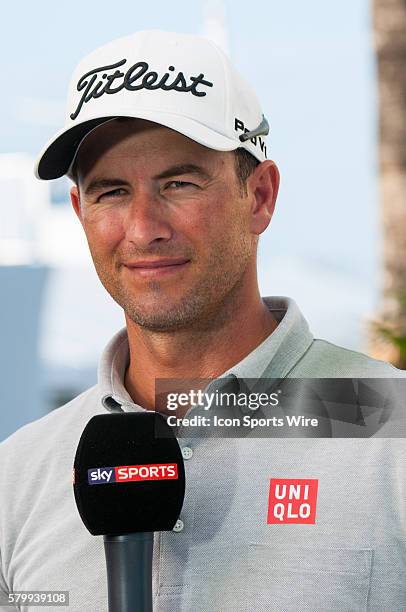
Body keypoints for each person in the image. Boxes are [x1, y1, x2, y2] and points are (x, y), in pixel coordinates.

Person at [0, 30, 405, 612]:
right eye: (111, 192)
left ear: (260, 196)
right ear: (80, 212)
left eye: (179, 184)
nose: (143, 228)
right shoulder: (21, 473)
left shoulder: (390, 426)